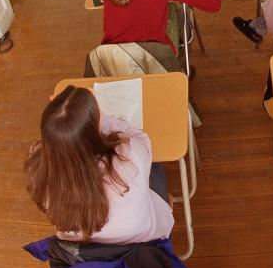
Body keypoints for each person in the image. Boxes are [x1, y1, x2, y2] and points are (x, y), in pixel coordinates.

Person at [25, 86, 174, 244]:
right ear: (96, 128)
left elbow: (59, 145)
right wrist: (102, 117)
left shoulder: (36, 171)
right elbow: (140, 137)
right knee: (156, 168)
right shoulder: (128, 158)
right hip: (145, 244)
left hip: (90, 256)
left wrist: (65, 123)